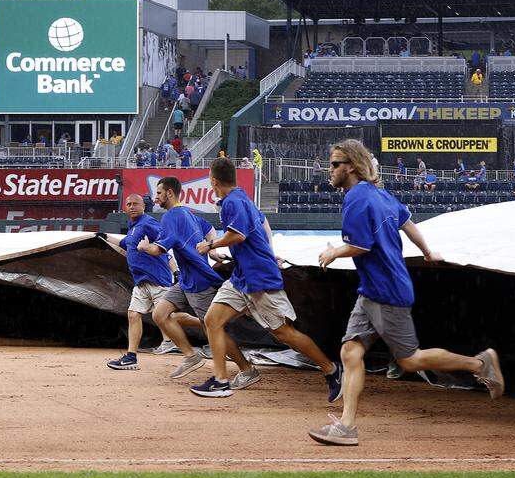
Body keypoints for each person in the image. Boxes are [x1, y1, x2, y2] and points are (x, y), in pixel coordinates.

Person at [309, 139, 504, 446]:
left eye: (335, 165)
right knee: (350, 351)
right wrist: (428, 252)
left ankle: (480, 365)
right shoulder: (380, 195)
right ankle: (346, 426)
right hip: (373, 289)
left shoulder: (357, 199)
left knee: (410, 360)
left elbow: (361, 246)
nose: (330, 171)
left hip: (386, 291)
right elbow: (408, 223)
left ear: (352, 166)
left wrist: (334, 253)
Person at [190, 158, 343, 399]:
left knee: (283, 332)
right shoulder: (240, 199)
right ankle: (221, 379)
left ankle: (331, 369)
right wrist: (267, 252)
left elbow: (237, 236)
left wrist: (209, 244)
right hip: (242, 277)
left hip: (259, 278)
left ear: (213, 181)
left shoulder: (233, 201)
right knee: (212, 320)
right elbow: (263, 224)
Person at [137, 176, 256, 386]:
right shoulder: (188, 213)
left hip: (200, 282)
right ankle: (191, 356)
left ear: (170, 193)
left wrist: (144, 247)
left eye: (158, 193)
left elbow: (157, 250)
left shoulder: (172, 217)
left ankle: (247, 369)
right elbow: (209, 229)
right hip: (185, 280)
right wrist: (213, 249)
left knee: (213, 327)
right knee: (160, 314)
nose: (155, 198)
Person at [107, 194, 197, 370]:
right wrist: (101, 236)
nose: (132, 207)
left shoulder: (148, 224)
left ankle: (208, 322)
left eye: (135, 204)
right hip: (141, 282)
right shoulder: (133, 229)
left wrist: (176, 271)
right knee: (133, 314)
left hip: (158, 280)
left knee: (168, 317)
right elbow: (123, 243)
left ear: (143, 207)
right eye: (129, 204)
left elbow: (166, 245)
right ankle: (131, 357)